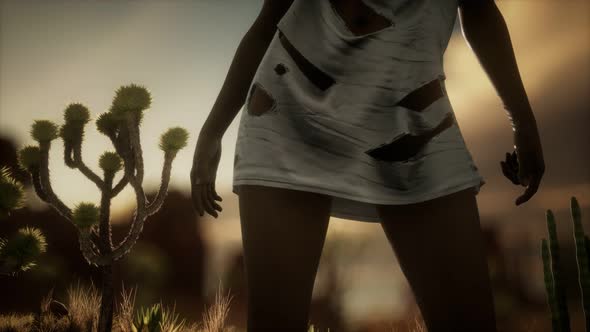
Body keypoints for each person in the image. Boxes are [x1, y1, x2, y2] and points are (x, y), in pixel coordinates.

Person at [190, 0, 545, 331]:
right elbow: (269, 19)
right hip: (289, 115)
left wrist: (522, 120)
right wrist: (212, 130)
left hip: (416, 123)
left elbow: (480, 11)